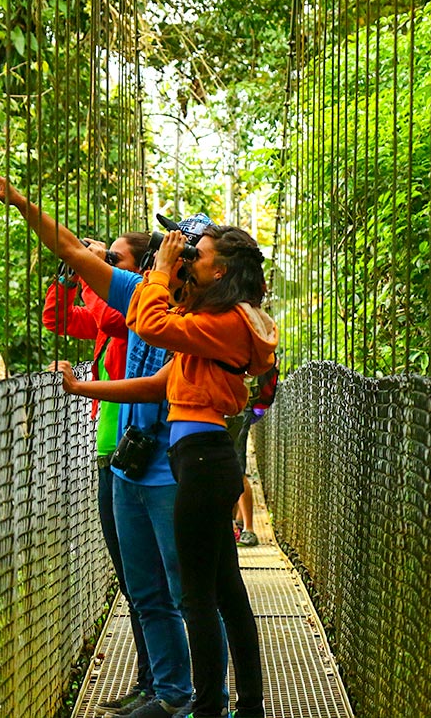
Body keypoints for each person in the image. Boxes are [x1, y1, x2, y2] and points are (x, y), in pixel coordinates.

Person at [0, 169, 199, 718]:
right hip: (127, 459)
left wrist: (84, 383)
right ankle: (165, 692)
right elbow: (62, 306)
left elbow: (158, 378)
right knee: (143, 587)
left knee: (187, 592)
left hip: (175, 464)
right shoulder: (134, 298)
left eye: (178, 251)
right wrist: (21, 202)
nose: (166, 259)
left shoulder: (199, 318)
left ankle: (202, 698)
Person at [126, 224, 277, 718]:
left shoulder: (229, 323)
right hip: (205, 459)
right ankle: (247, 707)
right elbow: (152, 319)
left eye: (201, 253)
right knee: (227, 593)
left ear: (223, 270)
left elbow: (149, 325)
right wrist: (173, 272)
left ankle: (209, 707)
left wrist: (163, 270)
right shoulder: (222, 318)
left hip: (203, 460)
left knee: (196, 595)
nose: (192, 257)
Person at [41, 233, 158, 712]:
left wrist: (90, 267)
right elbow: (60, 320)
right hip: (109, 446)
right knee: (133, 579)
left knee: (146, 581)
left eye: (114, 259)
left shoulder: (136, 306)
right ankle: (151, 679)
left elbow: (111, 313)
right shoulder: (114, 316)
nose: (104, 263)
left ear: (136, 270)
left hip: (131, 450)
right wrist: (69, 274)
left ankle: (164, 685)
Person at [228, 362, 277, 548]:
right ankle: (238, 524)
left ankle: (248, 528)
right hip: (236, 403)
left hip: (239, 404)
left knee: (236, 469)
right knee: (229, 466)